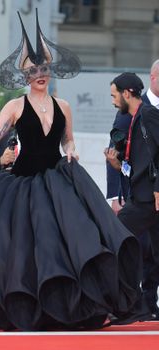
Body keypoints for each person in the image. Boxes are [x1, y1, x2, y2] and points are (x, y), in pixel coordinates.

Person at [0, 10, 143, 331]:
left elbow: (67, 141)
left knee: (64, 245)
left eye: (44, 69)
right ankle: (17, 305)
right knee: (17, 248)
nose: (40, 74)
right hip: (20, 183)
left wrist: (72, 152)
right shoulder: (14, 106)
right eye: (34, 70)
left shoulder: (63, 106)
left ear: (50, 72)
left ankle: (63, 305)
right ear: (25, 76)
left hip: (57, 181)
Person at [105, 62, 159, 319]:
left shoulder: (147, 115)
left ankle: (130, 305)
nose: (114, 102)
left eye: (115, 96)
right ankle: (136, 305)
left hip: (149, 199)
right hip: (144, 198)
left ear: (127, 93)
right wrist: (118, 164)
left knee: (115, 239)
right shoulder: (135, 118)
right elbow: (142, 159)